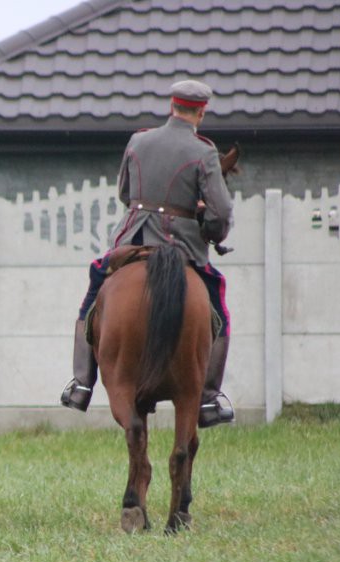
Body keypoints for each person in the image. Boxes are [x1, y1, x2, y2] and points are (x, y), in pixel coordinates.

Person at [60, 79, 236, 427]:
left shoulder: (138, 140)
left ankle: (81, 382)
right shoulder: (204, 152)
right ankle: (209, 397)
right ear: (200, 112)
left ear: (172, 106)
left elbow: (125, 192)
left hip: (132, 240)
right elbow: (221, 214)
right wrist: (208, 229)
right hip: (181, 246)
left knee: (94, 294)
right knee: (217, 306)